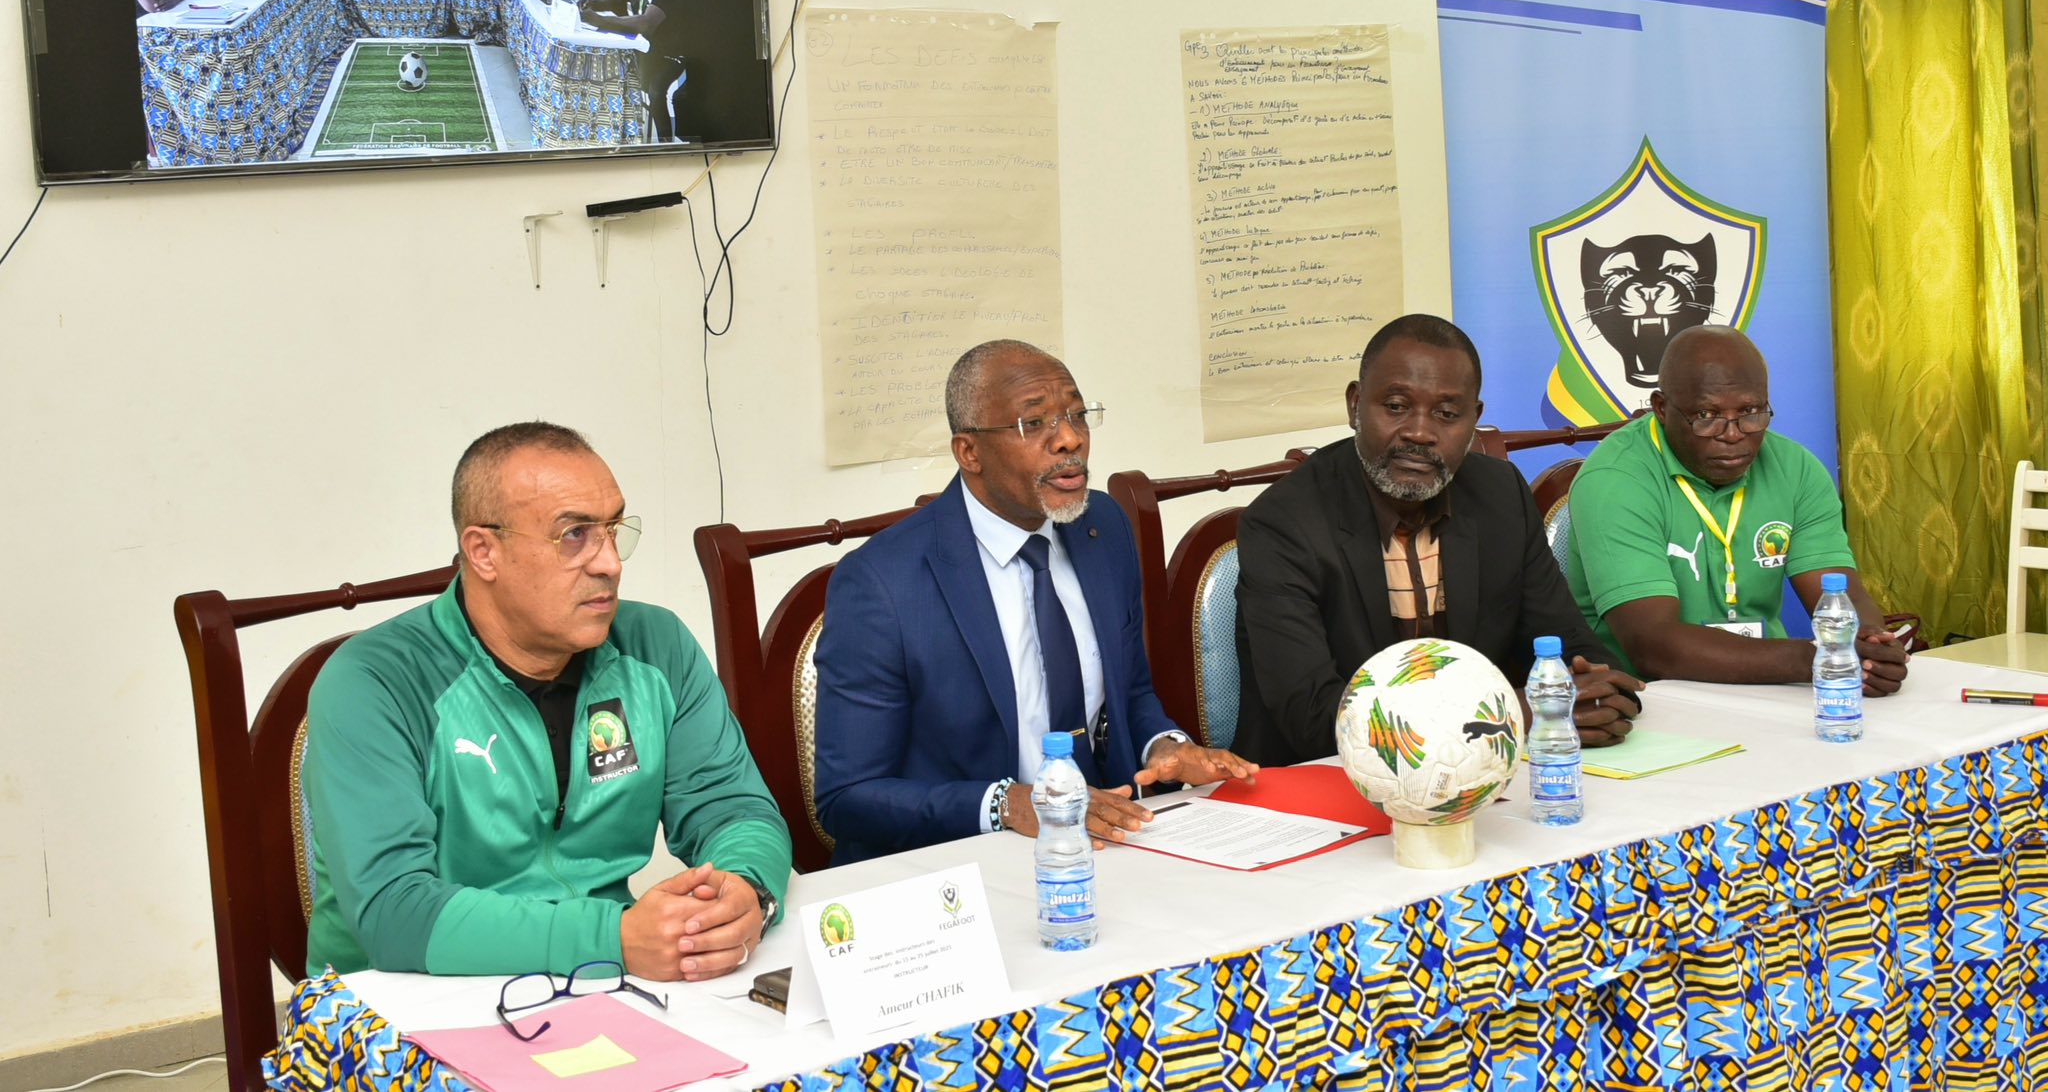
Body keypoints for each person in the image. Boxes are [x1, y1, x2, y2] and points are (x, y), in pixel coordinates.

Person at [302, 421, 791, 981]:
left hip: (604, 985)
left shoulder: (658, 646)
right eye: (574, 535)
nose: (611, 562)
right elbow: (394, 914)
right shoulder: (373, 683)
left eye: (613, 529)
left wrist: (743, 891)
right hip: (401, 1010)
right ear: (483, 552)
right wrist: (613, 937)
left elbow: (734, 808)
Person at [813, 340, 1257, 865]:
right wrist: (1007, 805)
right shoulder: (882, 583)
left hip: (1108, 844)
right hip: (960, 873)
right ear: (969, 452)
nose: (1069, 438)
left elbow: (1130, 692)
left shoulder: (1102, 528)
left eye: (1076, 414)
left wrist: (1165, 748)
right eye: (1034, 423)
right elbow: (848, 797)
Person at [1234, 314, 1642, 766]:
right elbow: (1313, 719)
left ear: (1474, 420)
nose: (1420, 432)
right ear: (1354, 406)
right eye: (1395, 406)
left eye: (1447, 414)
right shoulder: (1284, 524)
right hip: (1318, 791)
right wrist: (1510, 717)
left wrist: (1597, 694)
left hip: (1480, 777)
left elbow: (1570, 647)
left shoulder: (1499, 495)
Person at [1564, 325, 1912, 692]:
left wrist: (1870, 649)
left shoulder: (1796, 468)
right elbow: (1654, 646)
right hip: (1648, 699)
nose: (1733, 434)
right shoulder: (1614, 480)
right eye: (1706, 416)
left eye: (1750, 411)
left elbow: (1842, 595)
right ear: (1662, 409)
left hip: (1768, 687)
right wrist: (1818, 658)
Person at [580, 0, 687, 141]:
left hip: (671, 53)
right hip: (644, 47)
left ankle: (667, 145)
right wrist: (591, 3)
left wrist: (599, 21)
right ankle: (618, 135)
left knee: (656, 92)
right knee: (610, 72)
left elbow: (646, 24)